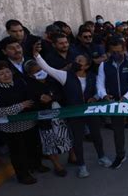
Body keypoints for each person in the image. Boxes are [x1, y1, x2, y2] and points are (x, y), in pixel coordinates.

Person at [33, 47, 112, 178]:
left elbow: (99, 90)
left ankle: (102, 157)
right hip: (74, 113)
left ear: (86, 66)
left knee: (96, 135)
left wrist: (95, 98)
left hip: (91, 111)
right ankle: (82, 165)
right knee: (78, 139)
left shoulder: (93, 76)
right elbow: (48, 69)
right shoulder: (65, 76)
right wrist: (37, 55)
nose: (76, 62)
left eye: (80, 61)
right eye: (75, 60)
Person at [0, 60, 48, 184]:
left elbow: (31, 96)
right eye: (1, 74)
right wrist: (20, 106)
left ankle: (36, 165)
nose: (6, 75)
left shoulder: (20, 82)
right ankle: (23, 175)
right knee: (18, 153)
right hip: (11, 128)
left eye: (7, 72)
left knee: (34, 147)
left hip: (29, 123)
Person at [97, 37, 128, 169]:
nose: (116, 54)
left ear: (124, 50)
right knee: (118, 131)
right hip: (114, 102)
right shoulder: (103, 65)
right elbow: (100, 84)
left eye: (119, 51)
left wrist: (126, 97)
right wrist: (104, 95)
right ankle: (120, 155)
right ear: (109, 52)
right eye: (113, 52)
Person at [24, 59, 71, 177]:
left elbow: (63, 94)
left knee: (68, 136)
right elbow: (30, 104)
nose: (41, 72)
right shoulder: (29, 86)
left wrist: (52, 97)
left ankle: (72, 156)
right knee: (49, 142)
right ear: (30, 74)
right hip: (45, 120)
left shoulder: (52, 80)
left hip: (61, 116)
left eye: (42, 69)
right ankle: (57, 165)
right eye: (37, 71)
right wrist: (40, 102)